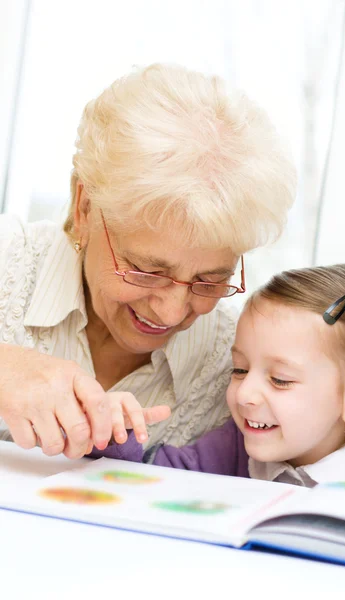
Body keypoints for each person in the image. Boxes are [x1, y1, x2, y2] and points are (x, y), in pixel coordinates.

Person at [0, 63, 297, 459]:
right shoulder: (9, 259)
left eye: (209, 279)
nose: (172, 312)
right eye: (147, 270)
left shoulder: (234, 362)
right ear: (85, 207)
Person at [98, 264, 345, 506]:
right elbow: (140, 487)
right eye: (240, 369)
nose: (244, 394)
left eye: (280, 379)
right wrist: (112, 433)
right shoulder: (231, 448)